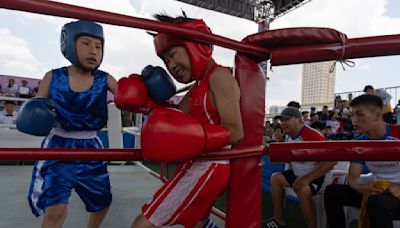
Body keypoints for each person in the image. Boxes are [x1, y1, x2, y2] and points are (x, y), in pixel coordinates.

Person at [116, 13, 243, 228]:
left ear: (197, 45)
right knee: (197, 223)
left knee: (142, 224)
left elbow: (236, 131)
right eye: (166, 61)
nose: (171, 65)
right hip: (196, 164)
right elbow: (175, 116)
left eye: (174, 54)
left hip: (209, 167)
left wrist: (200, 137)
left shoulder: (219, 77)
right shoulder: (195, 89)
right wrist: (145, 102)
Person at [17, 20, 116, 228]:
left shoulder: (105, 79)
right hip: (58, 146)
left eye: (98, 46)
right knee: (56, 207)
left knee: (101, 202)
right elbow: (35, 109)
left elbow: (133, 99)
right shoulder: (53, 77)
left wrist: (145, 90)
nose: (93, 51)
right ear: (69, 44)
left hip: (91, 147)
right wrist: (34, 115)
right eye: (86, 43)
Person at [324, 94, 400, 228]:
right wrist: (361, 188)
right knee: (332, 192)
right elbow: (353, 177)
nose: (354, 120)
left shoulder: (398, 134)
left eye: (359, 114)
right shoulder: (360, 143)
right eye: (352, 115)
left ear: (377, 115)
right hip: (381, 192)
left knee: (377, 203)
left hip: (392, 197)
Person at [264, 107, 336, 228]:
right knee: (275, 178)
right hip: (299, 174)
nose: (283, 123)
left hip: (318, 177)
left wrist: (307, 179)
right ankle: (279, 220)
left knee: (302, 188)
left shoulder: (312, 135)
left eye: (286, 120)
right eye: (282, 120)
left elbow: (331, 161)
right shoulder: (289, 136)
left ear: (298, 120)